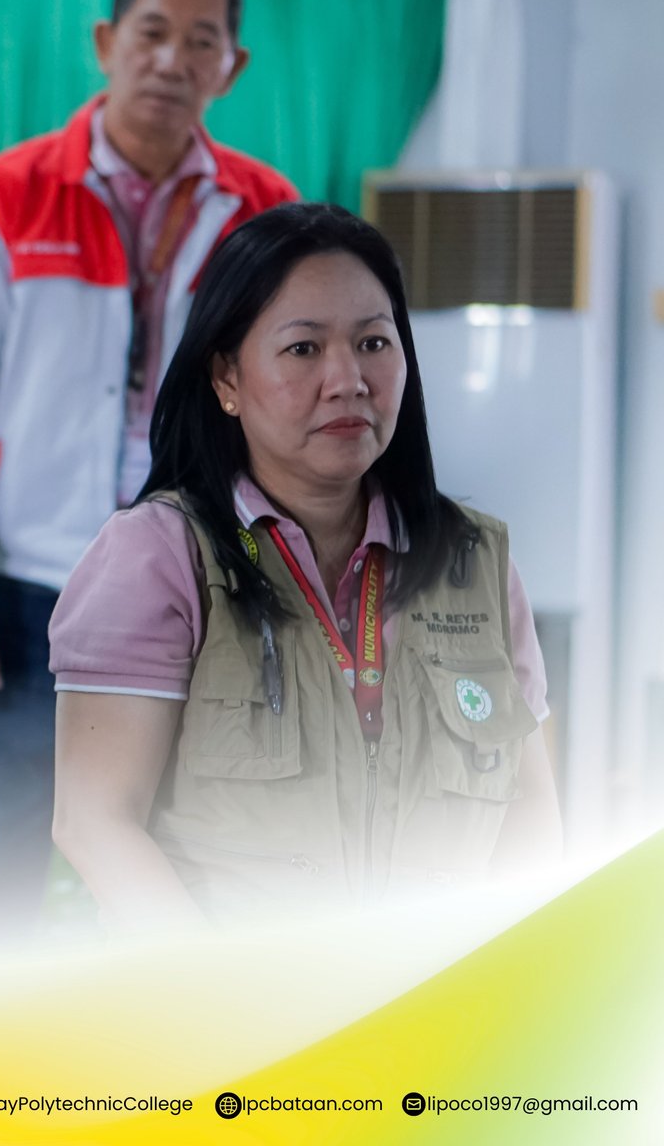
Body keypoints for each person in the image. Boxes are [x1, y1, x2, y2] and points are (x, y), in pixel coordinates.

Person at [0, 0, 297, 941]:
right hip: (32, 584)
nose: (171, 60)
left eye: (200, 41)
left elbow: (286, 397)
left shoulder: (268, 211)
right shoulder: (7, 194)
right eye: (151, 33)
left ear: (232, 67)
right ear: (105, 42)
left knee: (184, 862)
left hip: (203, 577)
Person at [49, 203, 563, 931]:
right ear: (226, 377)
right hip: (225, 997)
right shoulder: (157, 555)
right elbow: (96, 821)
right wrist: (217, 988)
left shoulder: (473, 560)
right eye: (303, 349)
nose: (348, 379)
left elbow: (530, 817)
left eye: (373, 342)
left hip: (435, 995)